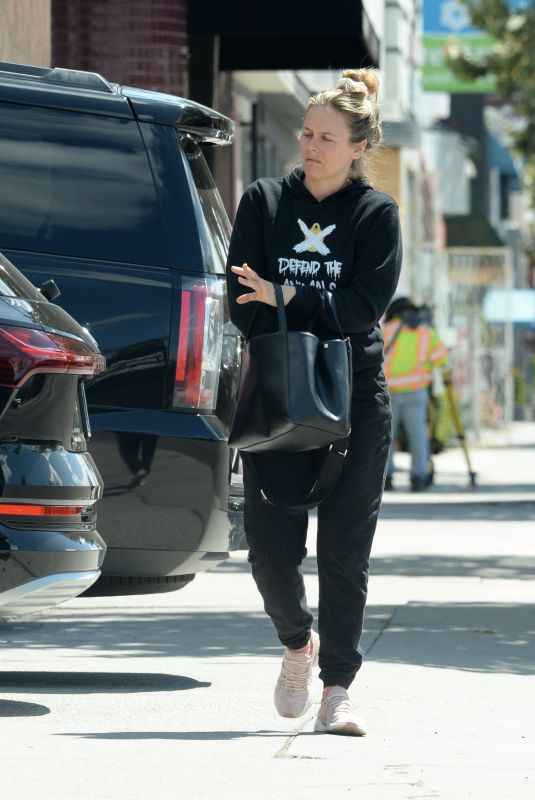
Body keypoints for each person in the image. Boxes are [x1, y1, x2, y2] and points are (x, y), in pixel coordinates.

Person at [226, 68, 402, 736]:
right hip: (276, 396)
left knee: (343, 554)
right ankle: (297, 642)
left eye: (326, 136)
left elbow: (363, 310)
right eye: (305, 132)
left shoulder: (374, 216)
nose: (310, 145)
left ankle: (337, 689)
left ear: (358, 145)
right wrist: (279, 307)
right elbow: (240, 300)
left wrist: (288, 298)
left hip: (354, 400)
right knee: (269, 548)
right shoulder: (266, 203)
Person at [383, 296, 449, 492]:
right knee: (418, 435)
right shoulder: (426, 332)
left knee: (386, 436)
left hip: (389, 391)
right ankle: (418, 476)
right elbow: (442, 360)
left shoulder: (387, 331)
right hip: (416, 391)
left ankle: (386, 477)